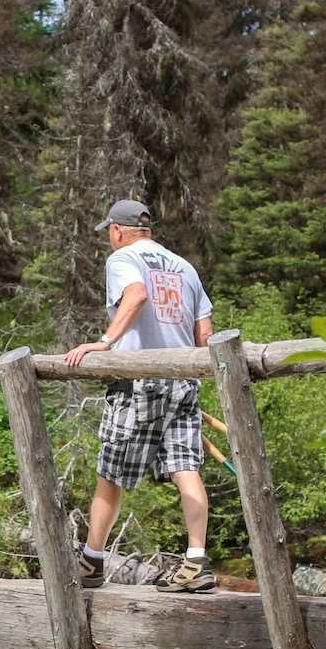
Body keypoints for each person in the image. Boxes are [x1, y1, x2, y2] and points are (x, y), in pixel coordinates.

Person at [64, 199, 216, 592]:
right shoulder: (185, 267)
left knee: (111, 473)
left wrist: (104, 342)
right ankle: (196, 561)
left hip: (138, 381)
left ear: (117, 230)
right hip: (184, 379)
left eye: (109, 233)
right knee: (186, 469)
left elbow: (136, 297)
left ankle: (92, 561)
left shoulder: (122, 260)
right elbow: (205, 337)